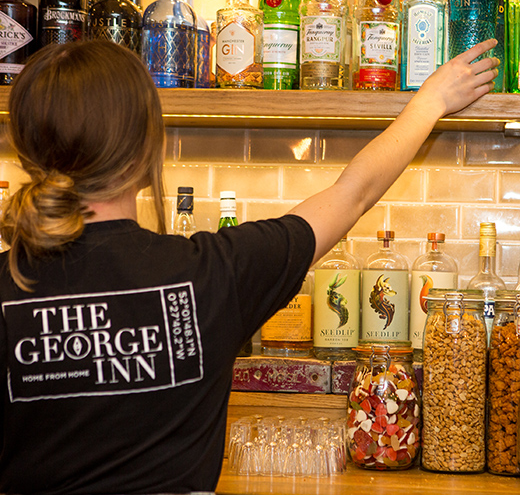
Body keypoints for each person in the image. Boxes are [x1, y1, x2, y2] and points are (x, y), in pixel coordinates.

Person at [0, 38, 498, 494]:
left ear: (25, 152)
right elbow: (353, 195)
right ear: (146, 149)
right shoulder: (212, 274)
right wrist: (429, 101)